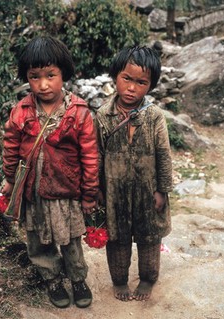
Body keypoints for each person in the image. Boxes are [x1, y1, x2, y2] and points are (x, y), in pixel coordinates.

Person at [1, 36, 99, 309]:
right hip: (33, 191)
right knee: (37, 238)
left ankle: (78, 278)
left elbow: (90, 156)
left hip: (66, 190)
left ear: (63, 74)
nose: (43, 84)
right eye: (34, 77)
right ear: (27, 78)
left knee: (69, 239)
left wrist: (89, 193)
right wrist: (10, 180)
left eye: (51, 75)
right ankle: (52, 279)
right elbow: (10, 148)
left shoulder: (79, 113)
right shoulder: (21, 112)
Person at [95, 45, 172, 302]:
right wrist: (95, 189)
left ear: (150, 86)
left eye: (141, 82)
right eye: (126, 78)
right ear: (115, 76)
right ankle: (119, 281)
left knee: (150, 236)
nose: (131, 88)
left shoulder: (154, 117)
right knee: (116, 238)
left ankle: (148, 279)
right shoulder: (103, 116)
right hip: (114, 191)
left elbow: (163, 155)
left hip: (148, 190)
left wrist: (162, 190)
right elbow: (96, 155)